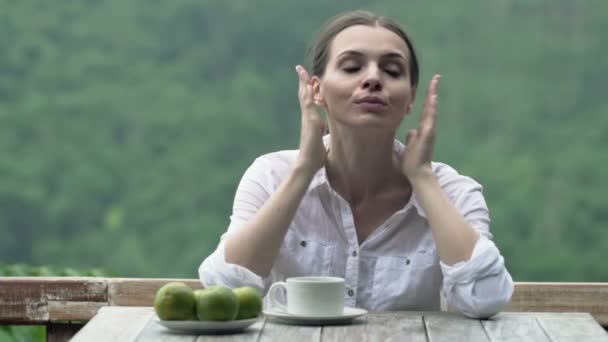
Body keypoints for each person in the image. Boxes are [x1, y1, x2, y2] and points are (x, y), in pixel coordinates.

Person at [199, 9, 513, 318]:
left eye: (392, 71)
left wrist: (422, 178)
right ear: (316, 91)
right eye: (352, 67)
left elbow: (486, 299)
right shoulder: (270, 175)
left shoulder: (454, 192)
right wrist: (304, 171)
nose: (373, 78)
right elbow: (224, 290)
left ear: (411, 98)